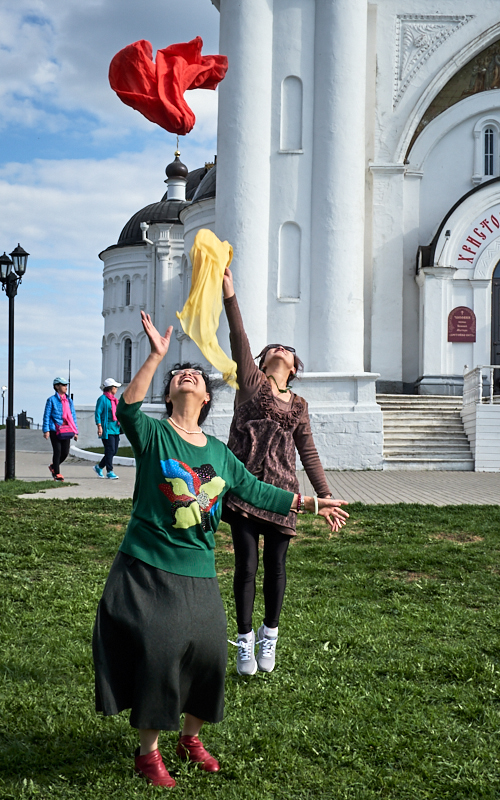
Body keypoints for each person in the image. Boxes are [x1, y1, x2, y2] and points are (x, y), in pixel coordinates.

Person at [92, 310, 349, 788]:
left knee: (208, 654)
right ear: (168, 394)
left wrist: (311, 502)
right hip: (149, 563)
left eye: (194, 375)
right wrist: (155, 355)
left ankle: (191, 738)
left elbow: (255, 489)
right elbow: (126, 409)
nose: (185, 374)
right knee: (160, 650)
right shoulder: (154, 435)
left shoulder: (217, 451)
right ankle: (148, 753)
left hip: (198, 569)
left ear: (207, 397)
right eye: (176, 376)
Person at [221, 267, 337, 677]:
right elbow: (240, 339)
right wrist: (230, 296)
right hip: (245, 490)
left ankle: (271, 635)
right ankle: (246, 642)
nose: (281, 350)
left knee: (277, 567)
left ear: (294, 366)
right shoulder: (252, 385)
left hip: (285, 492)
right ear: (265, 361)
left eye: (287, 350)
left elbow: (308, 451)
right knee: (247, 565)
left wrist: (322, 497)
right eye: (275, 348)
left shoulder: (300, 405)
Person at [42, 378, 77, 480]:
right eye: (63, 385)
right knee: (57, 451)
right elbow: (46, 416)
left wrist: (75, 431)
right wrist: (46, 430)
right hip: (55, 429)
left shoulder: (69, 401)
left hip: (67, 429)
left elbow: (72, 416)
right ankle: (57, 473)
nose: (66, 387)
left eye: (66, 385)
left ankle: (53, 466)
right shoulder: (51, 400)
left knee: (65, 452)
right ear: (57, 387)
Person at [94, 377, 122, 480]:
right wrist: (99, 426)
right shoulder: (102, 399)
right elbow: (98, 413)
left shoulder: (115, 400)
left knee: (113, 451)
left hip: (115, 428)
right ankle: (110, 471)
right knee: (109, 450)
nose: (117, 389)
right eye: (115, 387)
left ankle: (99, 466)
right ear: (110, 388)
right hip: (107, 429)